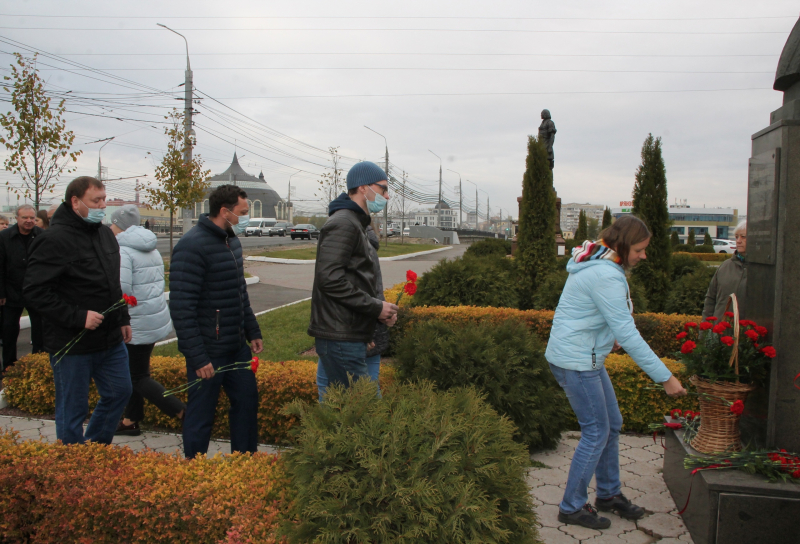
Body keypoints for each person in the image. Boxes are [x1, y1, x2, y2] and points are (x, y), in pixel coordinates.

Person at [545, 215, 687, 530]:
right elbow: (630, 331)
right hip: (577, 361)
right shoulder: (605, 273)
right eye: (640, 249)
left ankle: (608, 495)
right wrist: (666, 377)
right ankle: (570, 507)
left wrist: (614, 338)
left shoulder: (600, 262)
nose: (644, 255)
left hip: (583, 356)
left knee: (612, 425)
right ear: (624, 245)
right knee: (596, 431)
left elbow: (600, 315)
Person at [24, 176, 132, 445]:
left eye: (104, 199)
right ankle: (73, 462)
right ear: (75, 202)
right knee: (73, 409)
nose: (103, 205)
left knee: (120, 392)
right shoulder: (54, 240)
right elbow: (35, 292)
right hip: (71, 343)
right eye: (96, 200)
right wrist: (78, 316)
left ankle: (95, 448)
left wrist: (122, 317)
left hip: (109, 338)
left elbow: (112, 282)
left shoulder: (105, 234)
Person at [169, 184, 262, 459]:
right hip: (208, 352)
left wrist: (251, 329)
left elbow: (239, 291)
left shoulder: (231, 240)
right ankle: (194, 470)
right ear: (225, 212)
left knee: (246, 403)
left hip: (236, 348)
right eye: (243, 212)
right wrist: (198, 357)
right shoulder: (191, 246)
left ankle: (244, 463)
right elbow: (182, 308)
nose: (246, 218)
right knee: (201, 415)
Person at [308, 161, 398, 393]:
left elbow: (358, 278)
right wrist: (376, 308)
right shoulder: (344, 223)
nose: (387, 197)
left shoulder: (355, 223)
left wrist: (377, 310)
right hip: (341, 335)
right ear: (363, 188)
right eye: (383, 189)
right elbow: (329, 280)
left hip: (348, 332)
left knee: (341, 407)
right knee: (363, 410)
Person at [109, 205, 184, 436]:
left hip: (134, 321)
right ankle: (131, 421)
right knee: (136, 371)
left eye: (111, 223)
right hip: (152, 317)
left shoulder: (123, 251)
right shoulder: (149, 247)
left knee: (137, 376)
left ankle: (182, 412)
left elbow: (123, 290)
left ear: (118, 225)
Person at [316, 222, 388, 400]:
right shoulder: (365, 241)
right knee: (367, 388)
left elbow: (360, 290)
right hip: (359, 327)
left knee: (333, 387)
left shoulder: (353, 241)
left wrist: (368, 330)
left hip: (350, 330)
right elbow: (375, 291)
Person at [0, 205, 44, 371]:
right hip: (12, 292)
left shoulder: (42, 236)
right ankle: (9, 367)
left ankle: (38, 366)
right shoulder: (4, 237)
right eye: (25, 217)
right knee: (9, 331)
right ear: (16, 218)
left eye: (32, 218)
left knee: (40, 331)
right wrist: (1, 292)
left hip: (37, 292)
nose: (29, 221)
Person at [703, 221, 747, 320]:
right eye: (736, 237)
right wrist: (706, 333)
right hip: (720, 331)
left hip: (748, 333)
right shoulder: (725, 266)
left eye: (743, 236)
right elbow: (710, 300)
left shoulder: (763, 270)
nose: (738, 241)